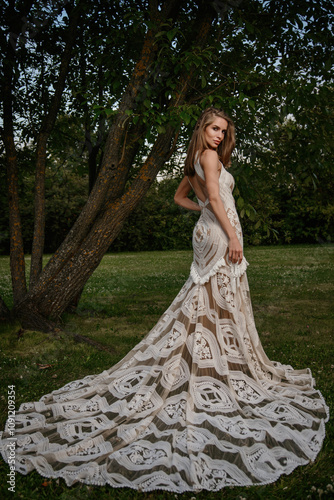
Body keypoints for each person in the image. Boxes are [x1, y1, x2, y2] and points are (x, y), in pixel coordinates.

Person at [0, 108, 329, 493]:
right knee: (215, 302)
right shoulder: (206, 158)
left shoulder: (194, 160)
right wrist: (232, 234)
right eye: (214, 129)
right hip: (219, 236)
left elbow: (180, 198)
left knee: (207, 303)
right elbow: (218, 203)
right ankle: (210, 368)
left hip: (207, 233)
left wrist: (202, 209)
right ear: (202, 129)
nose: (220, 136)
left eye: (224, 131)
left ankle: (205, 362)